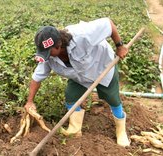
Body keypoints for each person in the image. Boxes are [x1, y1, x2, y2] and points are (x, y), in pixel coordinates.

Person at [24, 17, 130, 147]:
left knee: (112, 98)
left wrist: (119, 46)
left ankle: (121, 132)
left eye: (48, 52)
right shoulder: (48, 57)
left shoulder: (82, 35)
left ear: (58, 45)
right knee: (71, 95)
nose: (46, 56)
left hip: (102, 67)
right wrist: (30, 101)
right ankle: (75, 129)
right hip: (79, 76)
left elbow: (108, 24)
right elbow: (37, 77)